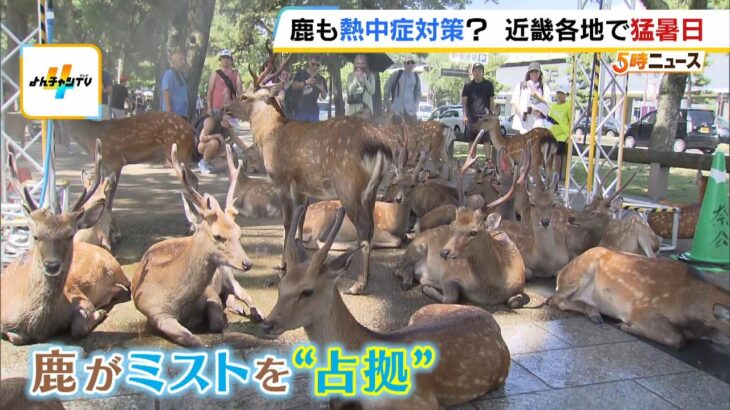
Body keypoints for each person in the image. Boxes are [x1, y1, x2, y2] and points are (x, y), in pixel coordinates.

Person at [510, 61, 552, 133]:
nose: (534, 74)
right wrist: (521, 114)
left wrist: (536, 95)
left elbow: (548, 103)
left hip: (537, 123)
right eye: (532, 72)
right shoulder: (521, 85)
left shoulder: (544, 87)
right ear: (529, 73)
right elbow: (514, 102)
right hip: (521, 123)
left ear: (540, 73)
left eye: (536, 72)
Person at [461, 62, 495, 142]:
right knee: (472, 140)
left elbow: (492, 101)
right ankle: (472, 155)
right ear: (472, 72)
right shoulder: (468, 86)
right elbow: (464, 102)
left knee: (486, 140)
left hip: (485, 117)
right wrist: (465, 115)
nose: (477, 73)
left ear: (483, 73)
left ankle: (488, 155)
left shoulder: (489, 85)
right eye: (475, 71)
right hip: (472, 116)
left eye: (479, 71)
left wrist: (491, 115)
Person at [383, 55, 421, 123]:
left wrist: (416, 104)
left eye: (412, 62)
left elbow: (418, 92)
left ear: (414, 65)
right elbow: (387, 87)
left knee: (413, 132)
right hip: (397, 110)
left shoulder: (416, 77)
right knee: (396, 132)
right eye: (408, 62)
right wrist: (387, 103)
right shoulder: (397, 74)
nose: (410, 64)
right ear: (404, 64)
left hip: (411, 111)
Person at [290, 55, 328, 122]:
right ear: (309, 62)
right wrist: (306, 82)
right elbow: (293, 86)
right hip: (300, 112)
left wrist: (322, 89)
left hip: (314, 113)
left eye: (317, 65)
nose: (315, 66)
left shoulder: (321, 79)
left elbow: (324, 97)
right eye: (313, 64)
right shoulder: (301, 73)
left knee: (314, 132)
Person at [206, 49, 243, 116]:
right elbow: (210, 91)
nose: (225, 60)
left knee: (228, 126)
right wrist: (209, 107)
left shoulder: (236, 74)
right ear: (220, 59)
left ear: (231, 60)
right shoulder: (215, 74)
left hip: (231, 108)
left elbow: (240, 92)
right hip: (216, 108)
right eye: (223, 57)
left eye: (228, 57)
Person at [549, 84, 571, 177]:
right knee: (549, 154)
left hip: (562, 135)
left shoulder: (568, 106)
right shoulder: (553, 106)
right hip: (552, 133)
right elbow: (550, 118)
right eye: (558, 93)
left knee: (557, 154)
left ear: (566, 95)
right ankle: (548, 174)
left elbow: (570, 121)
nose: (560, 95)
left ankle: (556, 175)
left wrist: (569, 135)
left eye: (562, 93)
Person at [160, 50, 189, 120]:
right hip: (173, 115)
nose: (183, 62)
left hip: (182, 114)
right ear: (173, 62)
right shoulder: (169, 74)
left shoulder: (182, 76)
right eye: (181, 60)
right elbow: (166, 90)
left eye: (184, 60)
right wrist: (169, 111)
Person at [345, 54, 376, 118]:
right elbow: (349, 90)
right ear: (355, 64)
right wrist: (356, 80)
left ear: (366, 64)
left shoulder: (370, 76)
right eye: (358, 63)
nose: (360, 66)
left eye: (362, 63)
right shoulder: (350, 76)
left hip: (366, 110)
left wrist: (365, 81)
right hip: (353, 109)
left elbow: (372, 91)